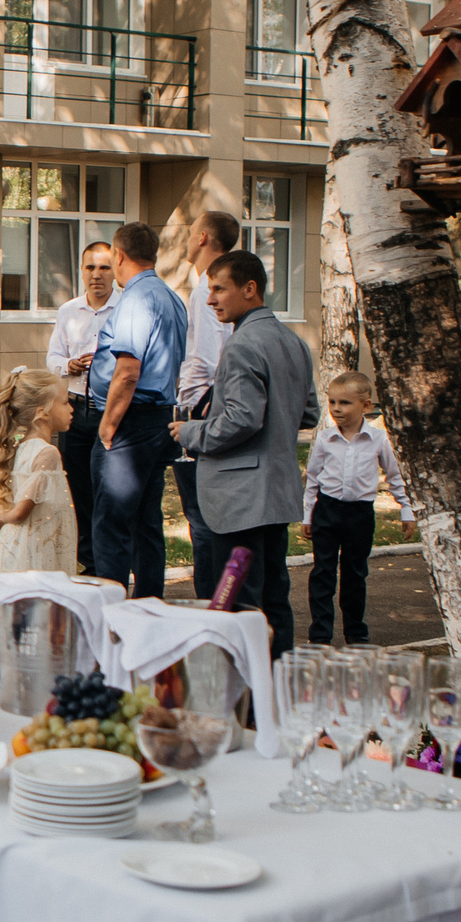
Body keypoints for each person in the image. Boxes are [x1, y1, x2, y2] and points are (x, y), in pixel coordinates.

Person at [172, 249, 317, 657]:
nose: (211, 299)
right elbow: (307, 413)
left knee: (239, 606)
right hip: (277, 490)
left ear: (249, 289)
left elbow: (240, 420)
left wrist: (190, 432)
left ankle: (247, 708)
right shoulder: (294, 342)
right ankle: (275, 695)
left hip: (239, 499)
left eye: (219, 289)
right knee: (274, 600)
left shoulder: (241, 345)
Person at [91, 221, 188, 600]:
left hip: (130, 421)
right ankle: (149, 604)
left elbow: (128, 372)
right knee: (146, 521)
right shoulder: (171, 297)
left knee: (111, 524)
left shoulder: (136, 299)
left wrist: (108, 427)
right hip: (159, 417)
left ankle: (110, 613)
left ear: (119, 255)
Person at [304, 370, 417, 647]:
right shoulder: (325, 439)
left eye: (345, 403)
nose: (336, 409)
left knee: (355, 574)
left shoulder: (378, 440)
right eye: (332, 402)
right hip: (327, 511)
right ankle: (320, 634)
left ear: (366, 406)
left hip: (360, 514)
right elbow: (312, 479)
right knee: (323, 573)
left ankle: (356, 632)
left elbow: (395, 476)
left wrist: (406, 509)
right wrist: (307, 515)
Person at [171, 210, 241, 599]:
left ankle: (211, 601)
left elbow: (214, 357)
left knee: (202, 519)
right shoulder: (206, 287)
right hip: (203, 406)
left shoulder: (206, 290)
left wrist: (198, 410)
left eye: (189, 231)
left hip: (202, 408)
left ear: (201, 238)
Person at [45, 241, 117, 575]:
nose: (97, 275)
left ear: (115, 269)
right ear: (82, 270)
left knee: (109, 489)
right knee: (80, 489)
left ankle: (111, 563)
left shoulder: (125, 308)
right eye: (90, 268)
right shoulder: (68, 310)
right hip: (74, 410)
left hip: (109, 410)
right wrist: (68, 366)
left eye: (104, 267)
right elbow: (53, 357)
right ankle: (89, 562)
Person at [0, 366, 79, 576]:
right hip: (34, 552)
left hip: (13, 546)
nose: (71, 409)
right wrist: (6, 518)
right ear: (42, 412)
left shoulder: (19, 450)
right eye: (65, 402)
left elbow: (2, 510)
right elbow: (21, 511)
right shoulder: (47, 453)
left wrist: (2, 519)